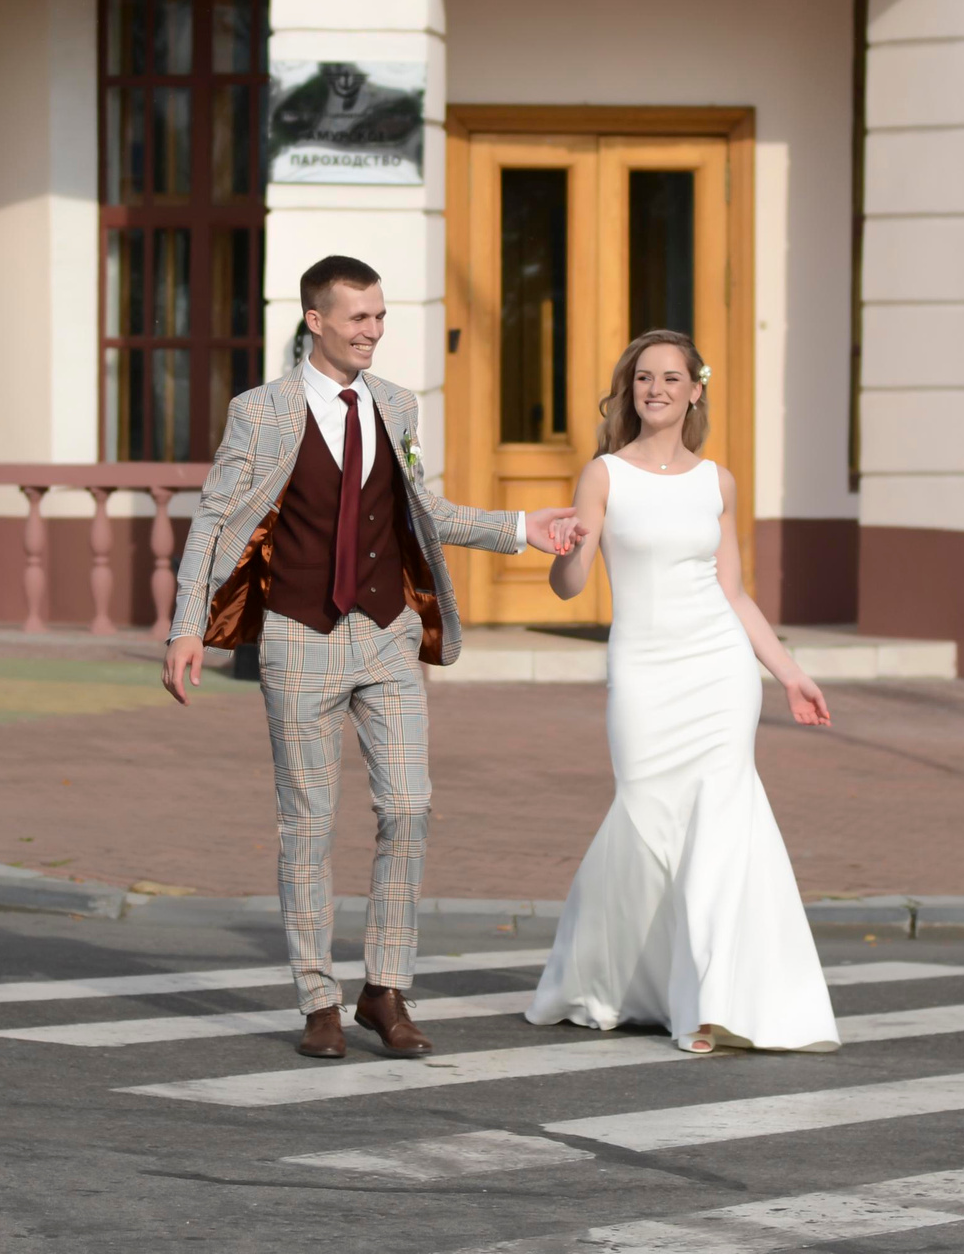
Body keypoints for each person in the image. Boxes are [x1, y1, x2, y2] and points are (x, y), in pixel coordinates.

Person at [162, 256, 580, 1062]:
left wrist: (524, 528)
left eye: (380, 317)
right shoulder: (261, 411)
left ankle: (385, 990)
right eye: (358, 317)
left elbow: (427, 508)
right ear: (315, 320)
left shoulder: (396, 406)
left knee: (410, 808)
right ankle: (318, 997)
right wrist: (187, 625)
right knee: (308, 825)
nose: (373, 331)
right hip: (297, 636)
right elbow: (212, 521)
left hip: (387, 635)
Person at [526, 330, 841, 1055]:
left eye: (671, 377)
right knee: (644, 819)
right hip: (642, 671)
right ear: (628, 390)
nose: (656, 388)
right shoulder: (603, 474)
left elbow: (734, 594)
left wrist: (789, 673)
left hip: (719, 672)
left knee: (721, 829)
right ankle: (611, 977)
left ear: (695, 390)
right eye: (643, 378)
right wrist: (568, 551)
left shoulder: (717, 482)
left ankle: (709, 1005)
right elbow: (570, 585)